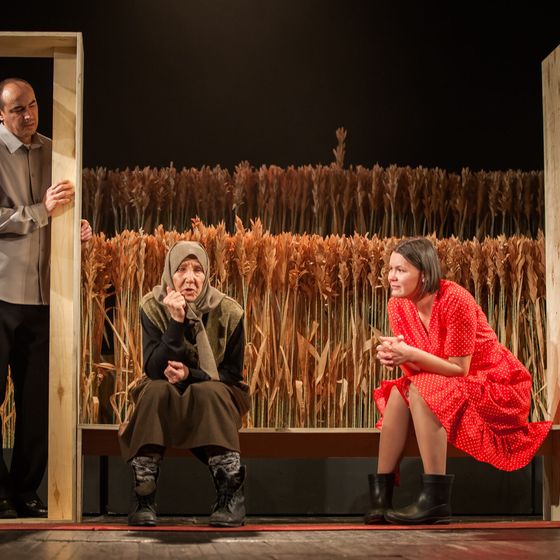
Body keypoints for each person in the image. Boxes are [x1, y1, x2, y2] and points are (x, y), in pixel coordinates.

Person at [365, 237, 552, 525]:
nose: (391, 276)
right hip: (444, 383)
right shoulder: (398, 305)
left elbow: (459, 369)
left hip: (492, 383)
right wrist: (396, 357)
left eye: (401, 270)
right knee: (399, 393)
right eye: (390, 269)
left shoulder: (454, 299)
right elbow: (418, 370)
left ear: (424, 274)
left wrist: (410, 354)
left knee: (422, 389)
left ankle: (435, 501)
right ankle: (381, 498)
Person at [0, 77, 93, 518]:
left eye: (33, 105)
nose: (29, 115)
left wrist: (76, 228)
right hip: (2, 294)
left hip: (45, 298)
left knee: (37, 404)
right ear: (1, 114)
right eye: (18, 109)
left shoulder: (55, 151)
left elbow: (63, 210)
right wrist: (42, 211)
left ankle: (24, 491)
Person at [119, 240, 251, 527]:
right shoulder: (152, 306)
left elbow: (231, 373)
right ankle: (144, 493)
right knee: (154, 391)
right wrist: (176, 321)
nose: (190, 278)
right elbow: (155, 369)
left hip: (218, 388)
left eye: (198, 270)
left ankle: (230, 493)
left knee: (210, 392)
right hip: (166, 386)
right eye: (181, 269)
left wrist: (191, 375)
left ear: (207, 274)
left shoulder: (229, 311)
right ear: (170, 273)